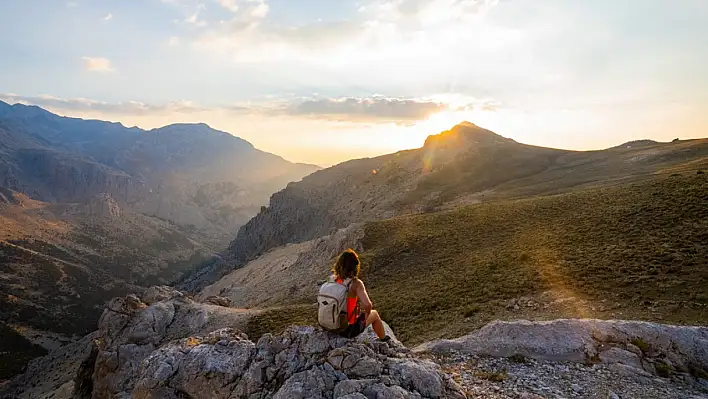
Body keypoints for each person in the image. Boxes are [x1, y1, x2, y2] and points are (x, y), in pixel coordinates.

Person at [331, 248, 390, 341]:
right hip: (346, 329)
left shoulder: (332, 280)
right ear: (355, 266)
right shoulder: (355, 283)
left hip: (329, 326)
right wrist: (366, 315)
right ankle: (383, 339)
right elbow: (368, 304)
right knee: (374, 314)